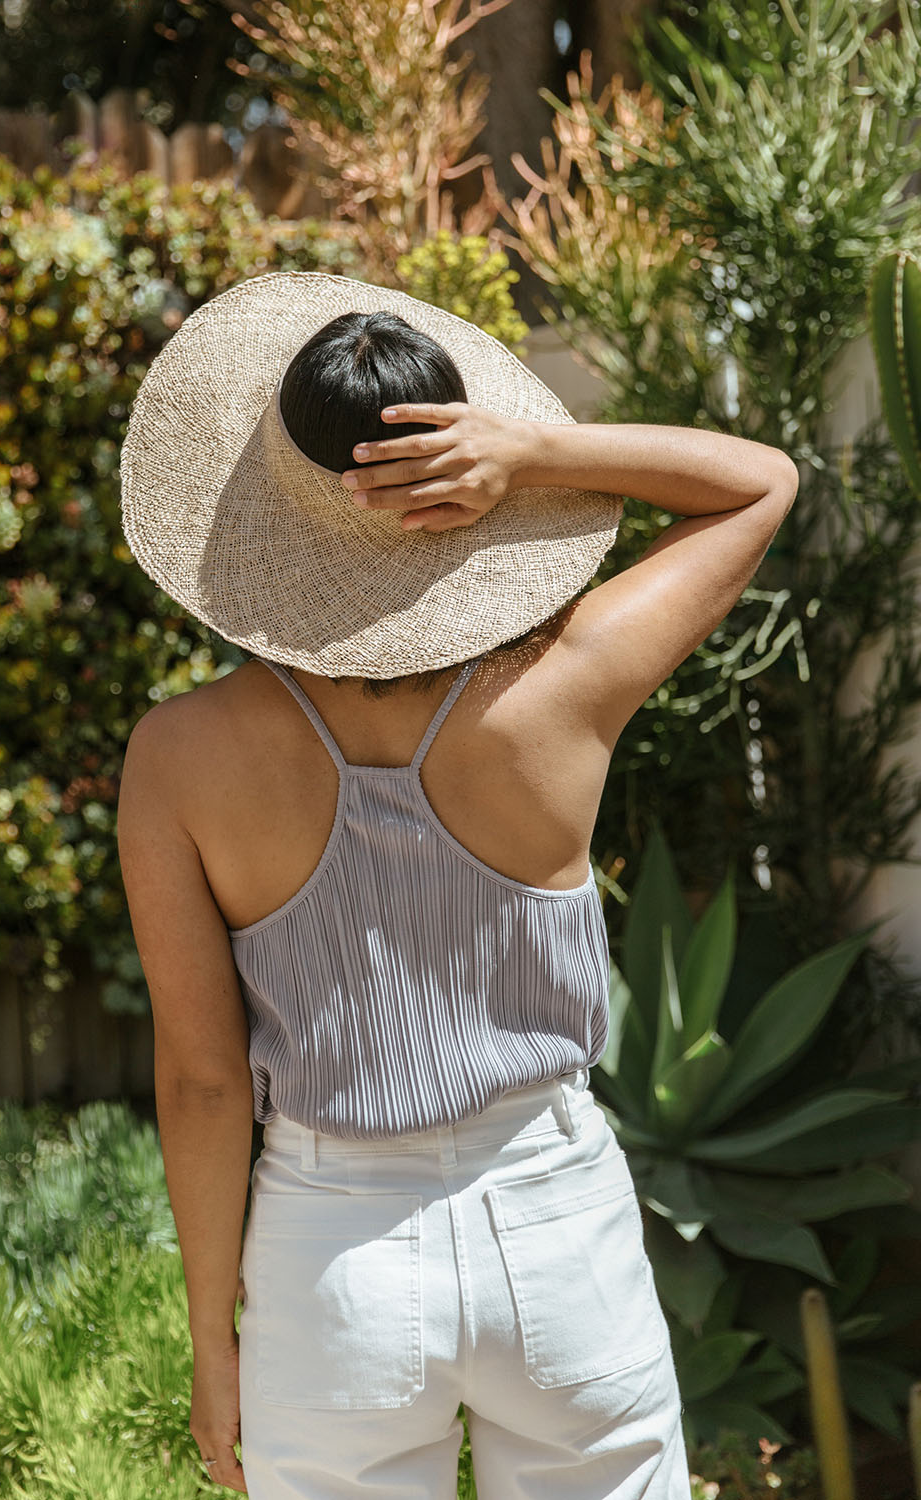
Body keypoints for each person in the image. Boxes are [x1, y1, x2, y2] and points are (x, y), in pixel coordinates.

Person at [116, 272, 799, 1498]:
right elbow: (759, 481)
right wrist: (530, 454)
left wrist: (213, 1338)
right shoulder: (567, 682)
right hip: (557, 1230)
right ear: (458, 470)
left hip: (332, 1260)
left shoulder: (179, 757)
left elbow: (204, 1082)